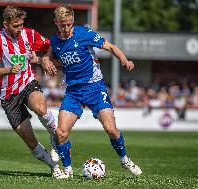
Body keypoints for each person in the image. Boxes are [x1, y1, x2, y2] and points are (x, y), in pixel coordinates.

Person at [42, 5, 142, 177]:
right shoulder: (55, 42)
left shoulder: (84, 34)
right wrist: (45, 61)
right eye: (61, 25)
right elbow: (48, 57)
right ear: (56, 23)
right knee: (60, 132)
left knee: (111, 129)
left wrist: (124, 59)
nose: (65, 29)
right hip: (74, 91)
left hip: (95, 87)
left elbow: (110, 46)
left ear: (72, 21)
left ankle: (124, 159)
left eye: (68, 24)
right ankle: (68, 170)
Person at [0, 6, 67, 179]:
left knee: (40, 107)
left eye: (21, 24)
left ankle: (55, 138)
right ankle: (53, 166)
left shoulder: (29, 34)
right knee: (31, 142)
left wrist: (45, 58)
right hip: (8, 95)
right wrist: (8, 70)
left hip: (27, 83)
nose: (19, 29)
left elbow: (52, 46)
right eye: (15, 26)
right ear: (5, 24)